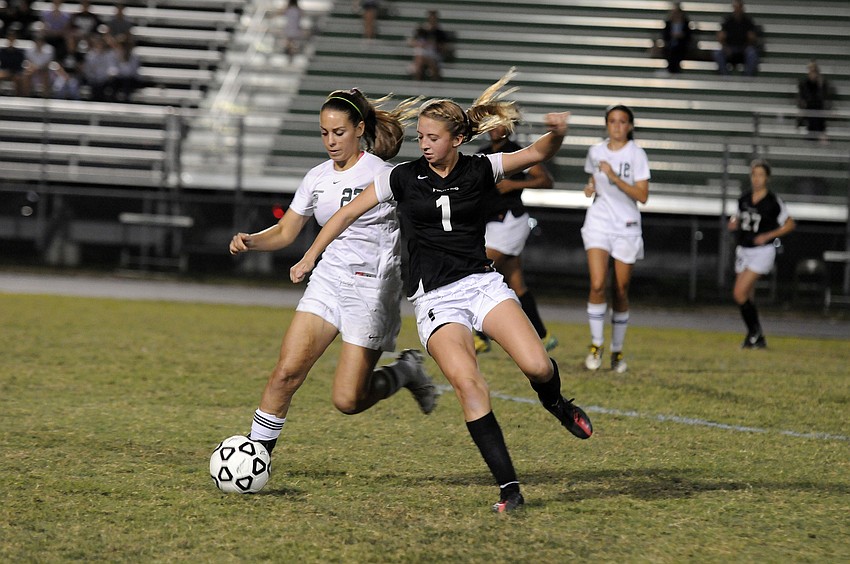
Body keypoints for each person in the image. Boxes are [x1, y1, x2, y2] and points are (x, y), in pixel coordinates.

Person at [290, 69, 593, 513]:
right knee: (471, 385)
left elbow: (538, 151)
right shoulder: (403, 177)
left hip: (481, 283)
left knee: (539, 365)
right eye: (421, 137)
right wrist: (311, 254)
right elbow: (345, 215)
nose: (424, 144)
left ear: (455, 139)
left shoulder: (480, 168)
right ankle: (509, 488)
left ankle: (557, 404)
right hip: (434, 298)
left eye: (433, 137)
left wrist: (559, 133)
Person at [228, 88, 438, 463]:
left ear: (359, 129)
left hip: (373, 289)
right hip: (327, 281)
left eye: (338, 132)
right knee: (286, 373)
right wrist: (251, 241)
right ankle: (255, 458)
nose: (330, 141)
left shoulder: (384, 174)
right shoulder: (317, 177)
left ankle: (405, 371)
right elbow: (285, 232)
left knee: (348, 400)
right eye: (324, 132)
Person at [472, 125, 558, 355]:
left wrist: (514, 184)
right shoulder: (482, 152)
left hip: (510, 220)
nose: (494, 127)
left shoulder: (517, 152)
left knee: (480, 272)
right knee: (516, 282)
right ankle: (543, 335)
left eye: (500, 122)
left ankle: (480, 337)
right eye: (491, 122)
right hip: (492, 222)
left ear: (510, 126)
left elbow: (545, 180)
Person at [581, 105, 650, 374]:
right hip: (599, 222)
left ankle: (617, 350)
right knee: (598, 284)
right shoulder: (596, 151)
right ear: (606, 125)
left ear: (630, 126)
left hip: (627, 226)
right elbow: (593, 181)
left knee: (620, 290)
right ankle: (596, 345)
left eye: (622, 122)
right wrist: (591, 187)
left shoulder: (637, 154)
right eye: (612, 121)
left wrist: (614, 176)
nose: (617, 126)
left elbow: (642, 195)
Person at [727, 159, 795, 349]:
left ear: (767, 178)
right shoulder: (744, 198)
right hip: (744, 249)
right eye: (754, 174)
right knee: (747, 295)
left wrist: (768, 235)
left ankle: (755, 332)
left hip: (762, 252)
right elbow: (738, 217)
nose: (757, 179)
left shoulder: (773, 202)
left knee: (739, 293)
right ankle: (755, 337)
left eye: (761, 175)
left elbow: (789, 223)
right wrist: (734, 223)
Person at [713, 0, 759, 76]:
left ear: (742, 8)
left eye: (739, 7)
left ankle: (747, 77)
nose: (737, 10)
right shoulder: (728, 21)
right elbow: (720, 36)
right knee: (717, 54)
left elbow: (753, 38)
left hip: (744, 49)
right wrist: (725, 47)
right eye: (735, 7)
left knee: (752, 53)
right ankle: (725, 76)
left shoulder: (747, 21)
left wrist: (747, 45)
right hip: (730, 49)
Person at [409, 9, 450, 81]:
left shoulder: (440, 33)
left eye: (434, 19)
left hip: (434, 54)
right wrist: (420, 44)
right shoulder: (421, 30)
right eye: (430, 19)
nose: (432, 21)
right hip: (422, 53)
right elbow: (411, 42)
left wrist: (435, 45)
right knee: (419, 60)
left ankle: (435, 84)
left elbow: (444, 47)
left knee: (431, 63)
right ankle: (416, 84)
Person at [797, 60, 833, 141]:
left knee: (816, 110)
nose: (812, 73)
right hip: (808, 108)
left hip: (818, 108)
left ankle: (816, 134)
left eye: (814, 71)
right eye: (810, 70)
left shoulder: (822, 83)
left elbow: (823, 98)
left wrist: (820, 86)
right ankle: (819, 134)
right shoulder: (803, 83)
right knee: (812, 110)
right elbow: (802, 98)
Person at [661, 2, 692, 74]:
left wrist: (681, 36)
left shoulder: (685, 24)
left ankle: (674, 70)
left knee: (676, 50)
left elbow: (688, 36)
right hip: (670, 44)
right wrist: (672, 36)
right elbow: (665, 36)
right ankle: (672, 70)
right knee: (670, 50)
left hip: (681, 45)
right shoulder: (669, 24)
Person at [0, 29, 27, 95]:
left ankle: (19, 97)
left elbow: (20, 65)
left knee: (18, 78)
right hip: (5, 72)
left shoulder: (19, 52)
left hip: (16, 72)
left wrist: (14, 72)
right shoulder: (2, 51)